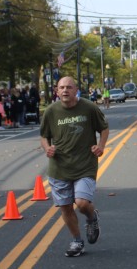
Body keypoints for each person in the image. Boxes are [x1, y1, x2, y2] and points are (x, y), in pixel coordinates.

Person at [40, 77, 109, 257]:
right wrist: (47, 148)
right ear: (57, 91)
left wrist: (101, 146)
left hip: (85, 165)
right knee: (65, 207)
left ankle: (92, 217)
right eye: (62, 87)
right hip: (59, 168)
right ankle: (77, 241)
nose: (65, 90)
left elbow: (104, 128)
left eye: (69, 87)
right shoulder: (51, 111)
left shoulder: (89, 107)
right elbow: (44, 136)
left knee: (82, 203)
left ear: (76, 89)